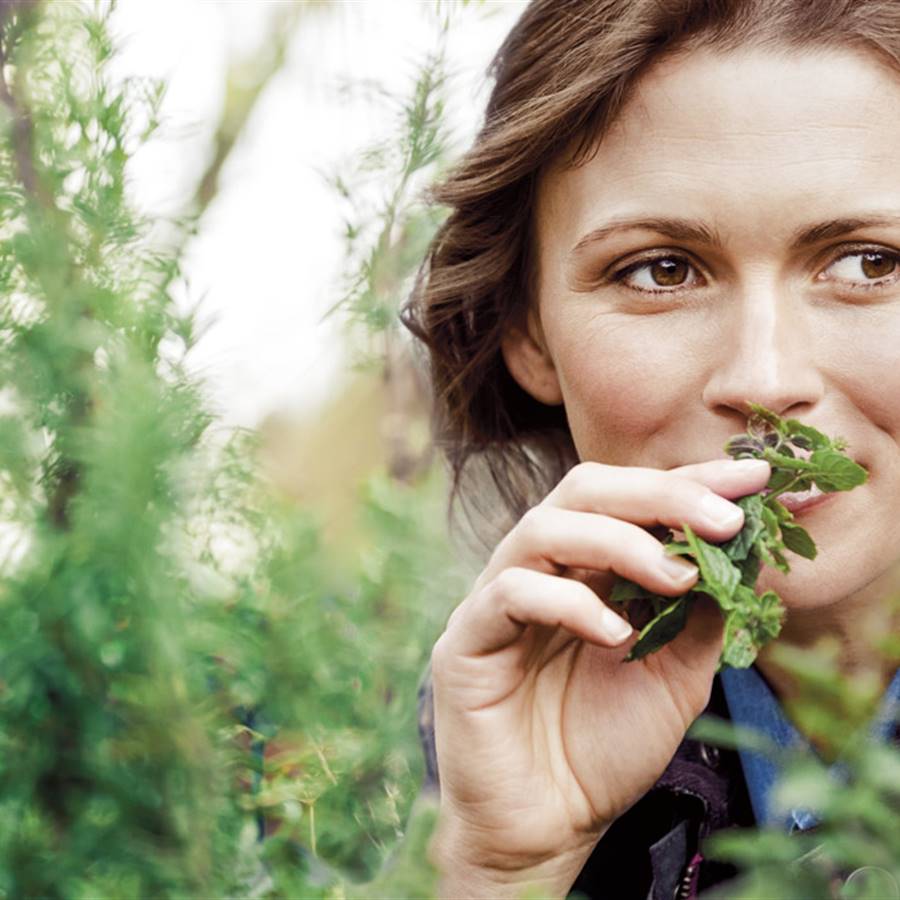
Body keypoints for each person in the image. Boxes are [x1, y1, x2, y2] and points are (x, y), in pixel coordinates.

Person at [401, 1, 900, 896]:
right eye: (660, 270)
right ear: (530, 335)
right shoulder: (352, 783)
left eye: (871, 263)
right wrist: (498, 870)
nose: (764, 376)